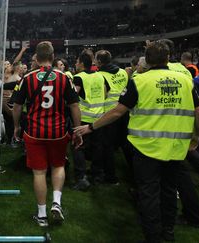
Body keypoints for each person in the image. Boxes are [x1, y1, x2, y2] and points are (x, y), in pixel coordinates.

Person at [75, 41, 199, 242]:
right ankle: (168, 233)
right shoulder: (185, 80)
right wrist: (196, 136)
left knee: (149, 193)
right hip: (176, 148)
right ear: (168, 58)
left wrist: (91, 127)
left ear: (147, 60)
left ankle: (152, 236)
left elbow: (118, 111)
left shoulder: (139, 80)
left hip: (146, 148)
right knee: (169, 191)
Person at [12, 41, 82, 227]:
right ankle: (56, 202)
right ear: (52, 57)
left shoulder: (27, 78)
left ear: (36, 57)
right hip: (58, 131)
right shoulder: (64, 77)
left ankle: (42, 214)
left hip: (34, 132)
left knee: (39, 172)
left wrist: (16, 126)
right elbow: (74, 105)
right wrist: (77, 129)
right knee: (58, 166)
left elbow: (17, 106)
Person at [71, 49, 108, 190]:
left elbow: (74, 96)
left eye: (76, 61)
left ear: (81, 63)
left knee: (78, 146)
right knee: (98, 147)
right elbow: (105, 93)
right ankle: (97, 174)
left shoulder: (79, 77)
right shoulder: (100, 76)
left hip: (85, 118)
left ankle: (81, 178)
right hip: (99, 118)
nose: (75, 64)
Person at [96, 50, 130, 184]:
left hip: (110, 114)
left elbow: (103, 95)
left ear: (99, 61)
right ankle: (133, 173)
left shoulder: (100, 75)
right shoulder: (123, 72)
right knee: (125, 144)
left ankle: (110, 176)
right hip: (124, 111)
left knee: (108, 146)